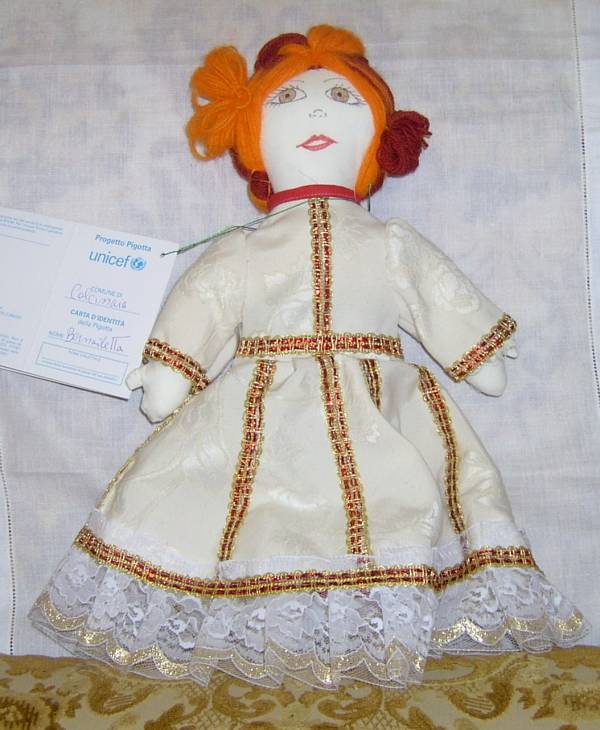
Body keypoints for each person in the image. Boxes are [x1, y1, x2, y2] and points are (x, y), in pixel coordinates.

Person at [30, 25, 587, 689]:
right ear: (251, 131)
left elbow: (435, 295)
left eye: (343, 100)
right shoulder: (242, 248)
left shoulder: (391, 242)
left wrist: (477, 349)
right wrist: (171, 367)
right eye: (289, 99)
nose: (318, 112)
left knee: (397, 505)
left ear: (380, 135)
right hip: (258, 406)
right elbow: (207, 303)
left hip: (382, 407)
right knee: (242, 513)